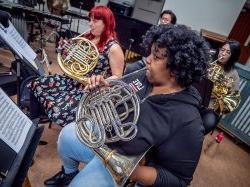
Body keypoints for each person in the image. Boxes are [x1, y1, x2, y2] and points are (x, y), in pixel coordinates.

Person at [44, 24, 210, 187]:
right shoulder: (139, 71)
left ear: (176, 69)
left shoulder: (188, 121)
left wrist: (130, 171)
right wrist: (102, 89)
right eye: (150, 53)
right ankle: (69, 174)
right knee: (66, 136)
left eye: (157, 57)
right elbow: (115, 96)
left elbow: (179, 180)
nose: (148, 60)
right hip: (105, 137)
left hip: (126, 162)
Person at [27, 5, 124, 126]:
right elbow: (72, 61)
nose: (90, 24)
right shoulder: (87, 38)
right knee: (36, 83)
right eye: (90, 20)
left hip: (89, 89)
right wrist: (65, 50)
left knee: (61, 112)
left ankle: (54, 120)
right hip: (72, 81)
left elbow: (118, 77)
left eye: (95, 20)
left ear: (106, 23)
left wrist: (99, 81)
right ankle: (34, 124)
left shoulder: (114, 48)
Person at [208, 40, 241, 116]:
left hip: (212, 105)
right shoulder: (209, 61)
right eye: (222, 50)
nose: (223, 53)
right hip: (196, 97)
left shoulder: (234, 74)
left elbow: (233, 96)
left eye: (228, 52)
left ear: (233, 56)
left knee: (208, 123)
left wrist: (215, 106)